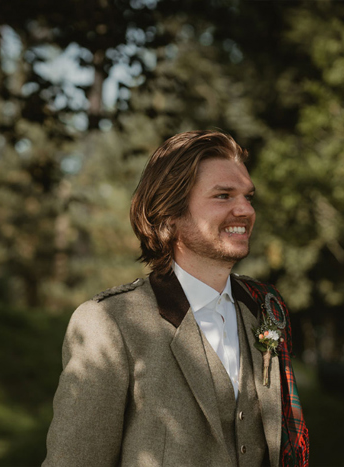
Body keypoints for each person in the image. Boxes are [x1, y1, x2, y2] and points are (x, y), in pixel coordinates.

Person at [43, 130, 309, 467]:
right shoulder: (110, 323)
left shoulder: (263, 310)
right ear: (170, 216)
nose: (245, 209)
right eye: (224, 196)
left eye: (248, 196)